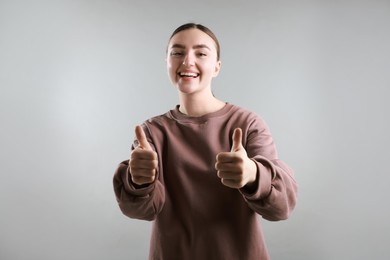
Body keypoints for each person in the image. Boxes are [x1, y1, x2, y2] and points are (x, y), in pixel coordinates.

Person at [113, 23, 298, 260]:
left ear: (217, 67)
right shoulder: (152, 132)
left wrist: (253, 174)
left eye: (200, 53)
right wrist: (137, 181)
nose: (188, 61)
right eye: (177, 52)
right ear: (167, 63)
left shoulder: (248, 123)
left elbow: (282, 207)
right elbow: (141, 210)